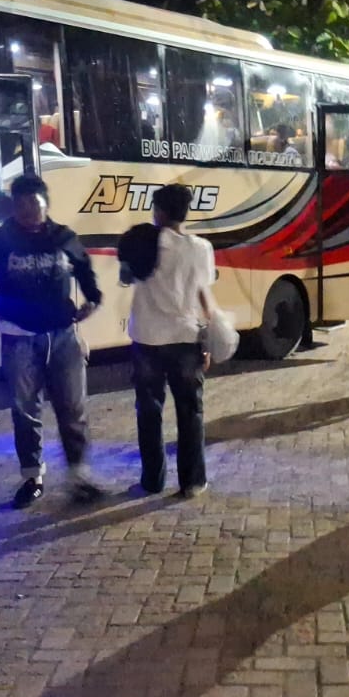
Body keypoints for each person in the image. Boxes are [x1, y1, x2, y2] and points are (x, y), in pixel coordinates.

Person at [0, 173, 105, 507]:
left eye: (33, 204)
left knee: (73, 409)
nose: (28, 211)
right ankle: (32, 477)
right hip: (18, 338)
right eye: (20, 205)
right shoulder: (0, 239)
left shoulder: (63, 237)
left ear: (45, 204)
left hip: (63, 336)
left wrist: (93, 298)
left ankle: (79, 476)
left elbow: (84, 267)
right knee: (25, 411)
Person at [124, 183, 215, 499]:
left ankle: (152, 480)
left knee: (148, 411)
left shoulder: (141, 241)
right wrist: (207, 340)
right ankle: (192, 482)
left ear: (159, 211)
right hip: (185, 338)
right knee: (190, 411)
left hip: (146, 338)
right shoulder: (201, 248)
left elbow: (125, 277)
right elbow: (203, 297)